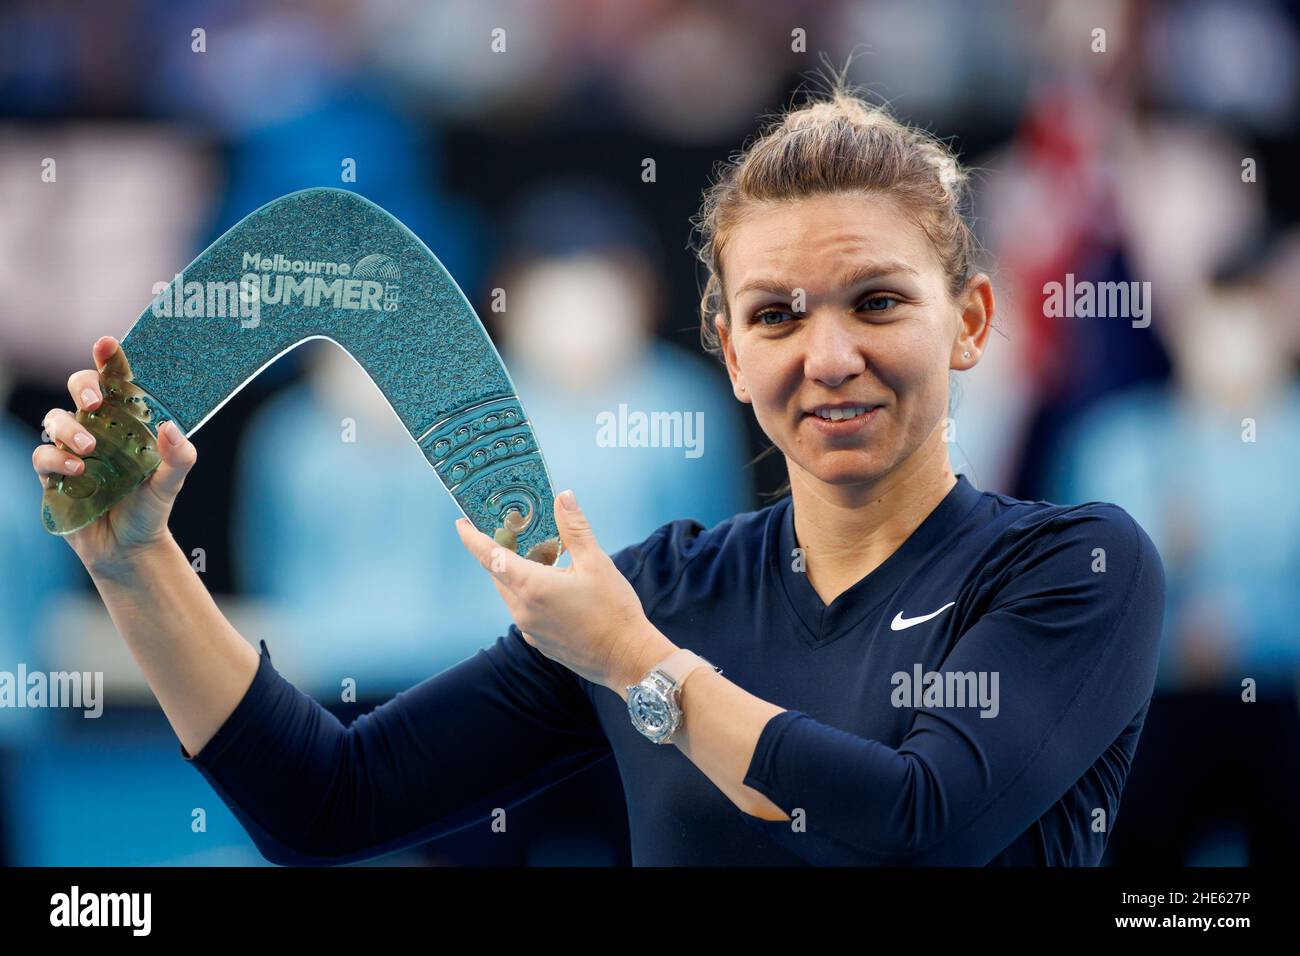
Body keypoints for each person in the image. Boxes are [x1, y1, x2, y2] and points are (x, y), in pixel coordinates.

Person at [32, 82, 1165, 866]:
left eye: (877, 301)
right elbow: (327, 801)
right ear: (728, 350)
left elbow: (918, 822)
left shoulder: (1072, 565)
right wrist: (136, 564)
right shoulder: (662, 591)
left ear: (968, 320)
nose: (828, 356)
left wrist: (633, 664)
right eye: (775, 314)